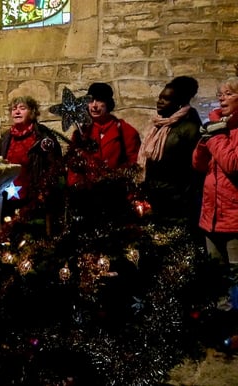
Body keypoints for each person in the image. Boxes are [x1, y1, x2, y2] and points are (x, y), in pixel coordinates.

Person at [138, 76, 204, 226]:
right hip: (156, 198)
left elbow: (194, 169)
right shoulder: (158, 126)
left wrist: (184, 197)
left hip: (178, 203)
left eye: (166, 99)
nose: (160, 101)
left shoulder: (190, 128)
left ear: (179, 104)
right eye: (160, 97)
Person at [192, 76, 238, 270]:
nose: (222, 99)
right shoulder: (218, 125)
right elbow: (198, 164)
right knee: (216, 279)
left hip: (234, 222)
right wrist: (205, 141)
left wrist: (216, 137)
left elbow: (232, 164)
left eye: (229, 94)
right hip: (211, 218)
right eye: (220, 95)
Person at [0, 96, 63, 223]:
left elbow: (54, 166)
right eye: (14, 109)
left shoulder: (43, 137)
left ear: (32, 112)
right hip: (8, 196)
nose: (17, 112)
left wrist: (44, 191)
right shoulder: (5, 139)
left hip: (34, 196)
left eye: (22, 108)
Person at [67, 82, 141, 187]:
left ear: (108, 103)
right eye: (91, 101)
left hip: (115, 191)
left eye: (100, 100)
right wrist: (75, 187)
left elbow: (134, 164)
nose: (94, 105)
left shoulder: (125, 130)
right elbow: (73, 165)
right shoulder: (81, 133)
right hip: (87, 193)